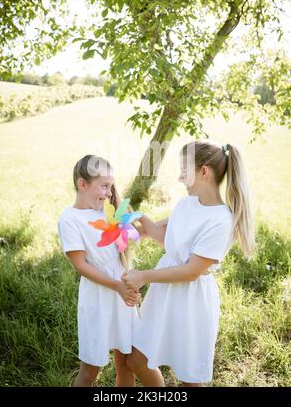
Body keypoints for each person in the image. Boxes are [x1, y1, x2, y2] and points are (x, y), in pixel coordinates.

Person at [122, 140, 255, 387]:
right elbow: (168, 240)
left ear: (203, 172)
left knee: (189, 378)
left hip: (191, 301)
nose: (180, 177)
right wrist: (137, 218)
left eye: (184, 170)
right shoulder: (186, 204)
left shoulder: (221, 220)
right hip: (164, 293)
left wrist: (143, 276)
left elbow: (192, 270)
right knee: (136, 360)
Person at [58, 154, 140, 387]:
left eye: (110, 186)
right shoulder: (70, 219)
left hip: (122, 292)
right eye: (104, 186)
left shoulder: (107, 211)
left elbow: (129, 235)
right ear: (82, 184)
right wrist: (117, 287)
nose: (108, 192)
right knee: (90, 370)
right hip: (99, 297)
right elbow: (80, 265)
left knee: (125, 363)